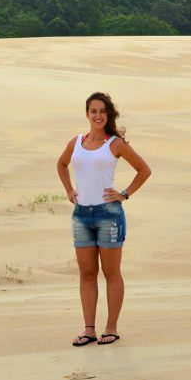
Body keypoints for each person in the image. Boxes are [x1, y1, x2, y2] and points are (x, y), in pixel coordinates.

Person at [56, 92, 152, 346]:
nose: (97, 116)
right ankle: (89, 329)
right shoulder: (77, 141)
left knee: (111, 272)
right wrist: (68, 190)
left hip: (108, 214)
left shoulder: (115, 144)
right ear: (87, 114)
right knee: (87, 273)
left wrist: (124, 194)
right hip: (81, 215)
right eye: (93, 111)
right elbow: (61, 164)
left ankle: (111, 327)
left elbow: (144, 170)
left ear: (108, 115)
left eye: (102, 111)